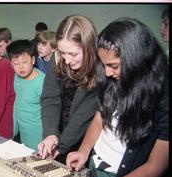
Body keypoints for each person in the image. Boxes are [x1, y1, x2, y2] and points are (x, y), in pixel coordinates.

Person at [66, 18, 168, 177]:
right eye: (104, 64)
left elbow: (155, 166)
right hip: (95, 163)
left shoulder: (163, 97)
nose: (107, 73)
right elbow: (100, 118)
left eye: (114, 66)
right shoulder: (111, 79)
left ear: (138, 60)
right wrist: (84, 150)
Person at [38, 15, 98, 163]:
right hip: (60, 128)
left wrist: (61, 146)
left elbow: (83, 116)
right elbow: (50, 97)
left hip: (86, 137)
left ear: (89, 47)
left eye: (73, 54)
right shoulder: (58, 58)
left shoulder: (100, 70)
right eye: (62, 52)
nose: (67, 60)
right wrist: (51, 133)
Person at [7, 39, 45, 150]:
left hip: (38, 133)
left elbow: (49, 112)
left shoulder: (42, 82)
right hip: (23, 130)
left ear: (33, 60)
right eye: (16, 64)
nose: (21, 67)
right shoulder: (16, 76)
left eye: (25, 62)